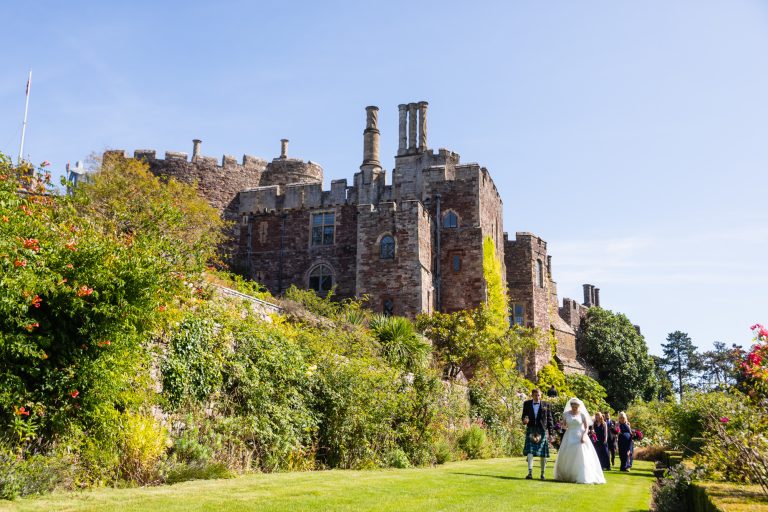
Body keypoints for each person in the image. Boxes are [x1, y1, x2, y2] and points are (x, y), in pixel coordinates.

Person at [553, 398, 606, 484]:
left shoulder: (582, 415)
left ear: (579, 406)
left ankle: (581, 475)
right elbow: (564, 425)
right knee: (568, 455)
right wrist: (560, 426)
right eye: (573, 406)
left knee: (581, 455)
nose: (574, 408)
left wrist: (584, 436)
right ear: (571, 406)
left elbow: (586, 428)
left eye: (576, 407)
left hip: (579, 436)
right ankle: (568, 475)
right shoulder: (566, 414)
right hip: (569, 435)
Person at [521, 388, 555, 480]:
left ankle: (543, 474)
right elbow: (524, 416)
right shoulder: (527, 404)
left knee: (543, 454)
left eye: (539, 395)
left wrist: (551, 433)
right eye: (536, 395)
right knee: (530, 451)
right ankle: (530, 473)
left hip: (542, 430)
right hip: (531, 428)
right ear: (532, 395)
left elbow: (550, 419)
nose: (538, 397)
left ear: (541, 395)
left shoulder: (546, 404)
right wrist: (524, 420)